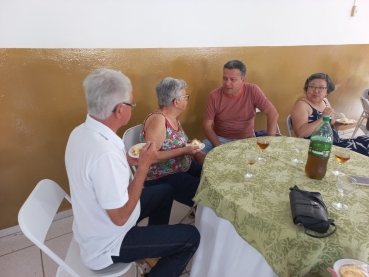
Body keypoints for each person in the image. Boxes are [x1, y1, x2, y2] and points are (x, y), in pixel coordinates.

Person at [65, 69, 200, 277]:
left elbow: (99, 171)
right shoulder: (104, 154)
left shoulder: (81, 132)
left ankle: (154, 251)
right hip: (109, 242)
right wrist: (143, 167)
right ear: (120, 110)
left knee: (165, 191)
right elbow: (120, 217)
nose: (132, 108)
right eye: (131, 104)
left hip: (97, 223)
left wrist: (128, 159)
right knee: (191, 237)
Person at [140, 77, 205, 210]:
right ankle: (205, 218)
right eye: (186, 96)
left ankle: (203, 213)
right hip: (163, 176)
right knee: (208, 190)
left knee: (213, 176)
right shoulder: (159, 120)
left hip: (183, 166)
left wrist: (188, 144)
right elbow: (152, 156)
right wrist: (184, 151)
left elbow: (171, 142)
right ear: (176, 102)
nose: (187, 99)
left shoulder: (172, 116)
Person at [202, 60, 279, 153]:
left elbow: (273, 113)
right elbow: (206, 126)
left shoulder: (253, 90)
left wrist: (269, 140)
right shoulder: (214, 96)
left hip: (246, 140)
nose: (227, 83)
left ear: (243, 80)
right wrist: (219, 147)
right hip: (220, 139)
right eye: (225, 78)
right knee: (201, 151)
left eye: (232, 79)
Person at [290, 72, 369, 156]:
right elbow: (300, 133)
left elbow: (331, 126)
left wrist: (337, 125)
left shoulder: (325, 102)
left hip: (335, 142)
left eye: (321, 88)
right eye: (312, 86)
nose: (316, 91)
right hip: (319, 147)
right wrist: (322, 118)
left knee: (366, 140)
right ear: (307, 89)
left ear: (327, 92)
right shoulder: (302, 105)